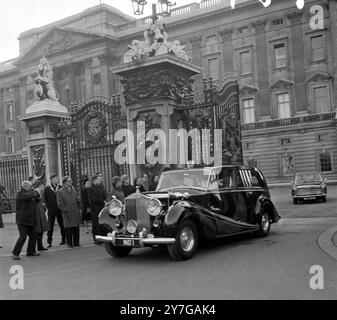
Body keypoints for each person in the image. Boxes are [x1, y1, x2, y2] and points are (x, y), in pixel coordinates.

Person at [12, 181, 41, 260]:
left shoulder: (30, 194)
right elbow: (28, 196)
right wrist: (35, 191)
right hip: (22, 220)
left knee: (33, 236)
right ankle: (15, 253)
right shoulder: (21, 194)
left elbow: (37, 199)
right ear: (26, 187)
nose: (32, 188)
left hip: (31, 219)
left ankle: (31, 251)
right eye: (30, 186)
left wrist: (38, 193)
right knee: (23, 236)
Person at [56, 176, 81, 248]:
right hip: (67, 212)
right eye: (69, 181)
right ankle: (69, 243)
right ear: (64, 182)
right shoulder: (60, 191)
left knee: (76, 226)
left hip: (75, 210)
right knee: (69, 228)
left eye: (71, 181)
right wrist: (65, 210)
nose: (71, 182)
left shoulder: (73, 189)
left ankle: (77, 242)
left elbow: (77, 198)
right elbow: (60, 204)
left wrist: (79, 205)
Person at [44, 174, 66, 247]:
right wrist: (49, 207)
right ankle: (49, 242)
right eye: (56, 179)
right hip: (51, 211)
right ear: (51, 180)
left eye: (57, 178)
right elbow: (45, 199)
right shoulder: (47, 189)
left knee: (62, 225)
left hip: (59, 210)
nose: (57, 180)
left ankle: (63, 239)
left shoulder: (60, 187)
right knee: (50, 226)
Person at [88, 175, 107, 245]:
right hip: (95, 208)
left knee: (101, 223)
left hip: (101, 207)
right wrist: (102, 201)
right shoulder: (91, 188)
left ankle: (101, 237)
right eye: (98, 179)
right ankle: (96, 238)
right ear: (94, 180)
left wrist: (105, 200)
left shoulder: (101, 187)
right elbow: (92, 199)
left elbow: (104, 195)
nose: (100, 180)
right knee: (96, 224)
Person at [34, 183, 49, 251]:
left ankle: (40, 246)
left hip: (41, 214)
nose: (43, 187)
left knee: (41, 231)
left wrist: (44, 207)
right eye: (42, 186)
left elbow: (43, 202)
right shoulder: (35, 192)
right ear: (39, 186)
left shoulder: (41, 193)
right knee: (38, 231)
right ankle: (39, 246)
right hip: (37, 215)